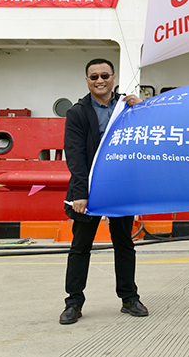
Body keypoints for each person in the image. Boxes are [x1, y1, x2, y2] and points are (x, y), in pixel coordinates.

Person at [59, 58, 147, 325]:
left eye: (105, 76)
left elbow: (147, 136)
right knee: (80, 246)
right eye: (94, 76)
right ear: (87, 80)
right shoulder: (77, 113)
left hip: (120, 187)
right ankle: (73, 302)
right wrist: (81, 193)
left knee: (124, 244)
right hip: (89, 189)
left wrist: (142, 109)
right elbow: (75, 155)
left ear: (113, 78)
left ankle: (129, 298)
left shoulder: (127, 106)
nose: (100, 81)